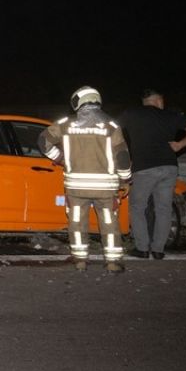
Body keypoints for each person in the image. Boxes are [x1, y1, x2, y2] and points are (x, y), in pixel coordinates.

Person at [39, 86, 133, 273]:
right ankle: (113, 262)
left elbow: (43, 142)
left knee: (76, 220)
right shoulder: (111, 127)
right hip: (105, 187)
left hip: (76, 186)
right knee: (108, 221)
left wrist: (61, 159)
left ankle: (80, 260)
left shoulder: (65, 124)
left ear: (78, 101)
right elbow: (122, 156)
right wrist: (125, 180)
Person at [117, 89, 186, 259]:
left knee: (138, 207)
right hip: (169, 167)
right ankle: (158, 250)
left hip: (144, 167)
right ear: (158, 100)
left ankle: (142, 248)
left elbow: (112, 128)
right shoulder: (171, 115)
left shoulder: (132, 114)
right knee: (163, 208)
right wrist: (180, 145)